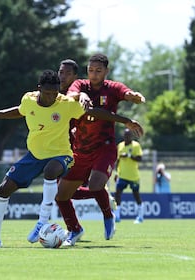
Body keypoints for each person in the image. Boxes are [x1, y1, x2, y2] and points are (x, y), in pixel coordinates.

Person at [0, 69, 143, 248]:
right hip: (35, 155)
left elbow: (95, 112)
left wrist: (125, 121)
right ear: (39, 89)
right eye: (47, 93)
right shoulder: (28, 99)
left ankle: (42, 222)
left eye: (55, 93)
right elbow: (19, 111)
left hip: (63, 156)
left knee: (51, 171)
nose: (51, 97)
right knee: (2, 189)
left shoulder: (65, 103)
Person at [56, 53, 146, 246]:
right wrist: (82, 95)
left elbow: (126, 92)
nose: (93, 74)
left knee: (96, 184)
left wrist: (133, 97)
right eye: (90, 70)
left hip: (104, 147)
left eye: (98, 71)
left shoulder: (112, 88)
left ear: (106, 71)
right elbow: (71, 94)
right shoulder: (80, 85)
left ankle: (108, 215)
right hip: (80, 150)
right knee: (61, 196)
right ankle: (75, 229)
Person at [113, 128, 144, 223]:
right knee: (118, 193)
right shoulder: (120, 145)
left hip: (133, 176)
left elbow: (140, 158)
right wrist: (116, 173)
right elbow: (118, 160)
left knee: (136, 195)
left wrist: (129, 156)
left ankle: (140, 216)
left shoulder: (136, 145)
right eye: (126, 136)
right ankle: (117, 216)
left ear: (131, 136)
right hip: (122, 175)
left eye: (129, 135)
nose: (127, 137)